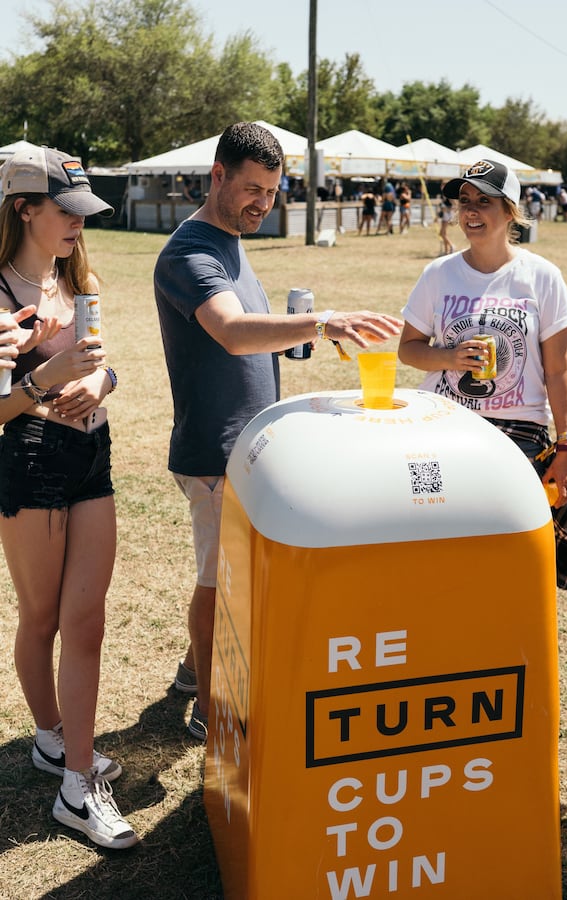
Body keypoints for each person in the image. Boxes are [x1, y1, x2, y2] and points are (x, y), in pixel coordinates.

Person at [154, 122, 403, 740]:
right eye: (252, 190)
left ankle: (192, 670)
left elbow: (251, 337)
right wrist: (323, 322)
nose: (263, 203)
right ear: (218, 178)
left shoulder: (230, 242)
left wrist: (300, 337)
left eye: (272, 190)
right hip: (213, 451)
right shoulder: (189, 254)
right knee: (218, 583)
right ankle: (211, 713)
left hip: (245, 447)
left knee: (228, 574)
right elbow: (233, 331)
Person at [0, 145, 138, 849]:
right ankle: (52, 740)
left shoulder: (76, 275)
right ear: (25, 208)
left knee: (87, 622)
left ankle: (77, 784)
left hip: (92, 455)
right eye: (67, 210)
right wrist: (44, 379)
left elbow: (102, 360)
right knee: (43, 617)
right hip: (29, 466)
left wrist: (102, 382)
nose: (80, 223)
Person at [398, 159, 567, 590]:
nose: (471, 211)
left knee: (510, 559)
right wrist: (449, 358)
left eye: (484, 201)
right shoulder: (438, 275)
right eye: (465, 201)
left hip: (519, 436)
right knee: (443, 553)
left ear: (510, 211)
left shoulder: (542, 277)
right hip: (444, 428)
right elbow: (408, 351)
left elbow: (558, 371)